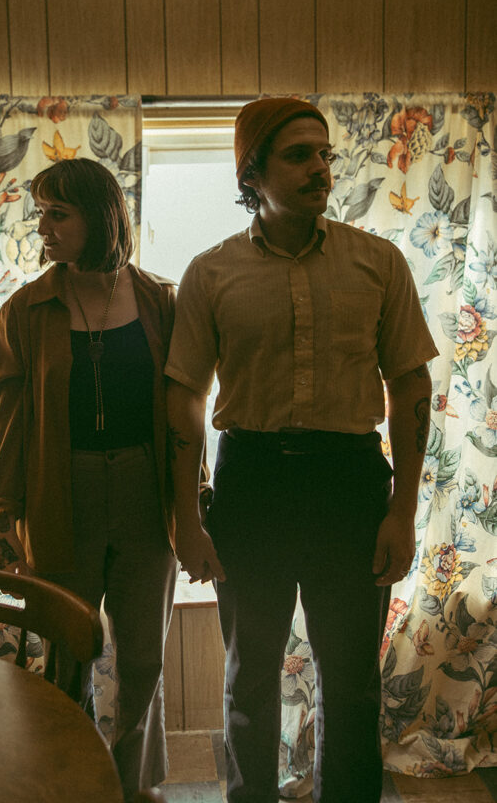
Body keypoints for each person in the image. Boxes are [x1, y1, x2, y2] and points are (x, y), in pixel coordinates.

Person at [165, 98, 438, 803]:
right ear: (251, 173)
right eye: (298, 155)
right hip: (249, 482)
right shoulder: (211, 273)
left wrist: (402, 511)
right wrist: (185, 519)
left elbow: (409, 385)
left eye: (324, 154)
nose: (319, 169)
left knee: (350, 681)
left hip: (349, 484)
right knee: (248, 677)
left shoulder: (377, 262)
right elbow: (183, 399)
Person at [0, 157, 178, 803]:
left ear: (98, 217)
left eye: (57, 214)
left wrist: (191, 504)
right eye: (40, 213)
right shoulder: (25, 309)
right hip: (55, 494)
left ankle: (130, 783)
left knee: (144, 659)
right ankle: (69, 782)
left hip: (144, 493)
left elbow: (182, 414)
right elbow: (8, 424)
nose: (43, 226)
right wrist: (2, 518)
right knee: (67, 652)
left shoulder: (158, 300)